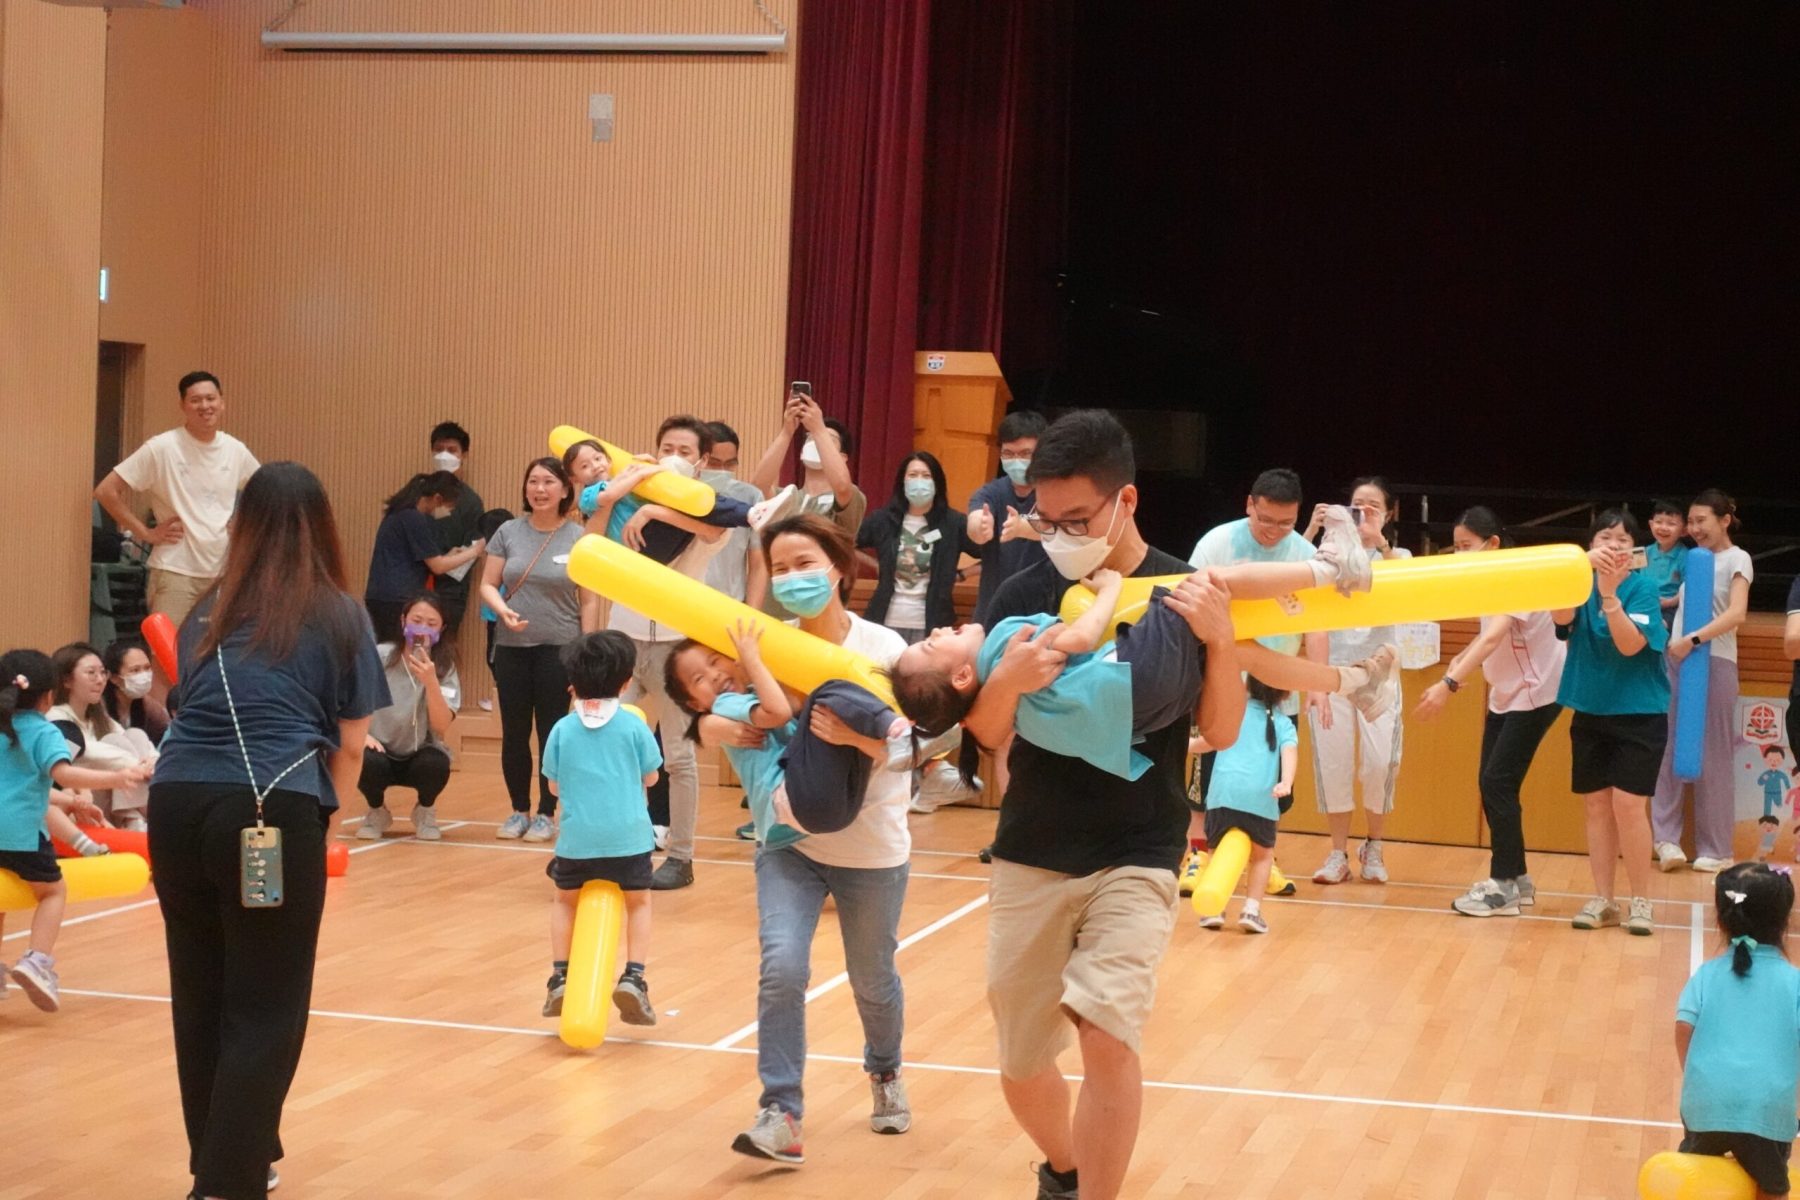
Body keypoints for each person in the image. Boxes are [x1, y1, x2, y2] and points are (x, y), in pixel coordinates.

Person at [957, 409, 1246, 1200]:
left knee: (1107, 1033)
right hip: (1033, 847)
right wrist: (1007, 681)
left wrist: (1222, 641)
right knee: (1022, 1060)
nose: (1060, 536)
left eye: (1077, 519)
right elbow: (986, 732)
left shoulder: (1185, 589)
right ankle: (1067, 1168)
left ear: (1126, 501)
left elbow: (1221, 731)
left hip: (1139, 849)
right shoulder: (1024, 589)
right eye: (1047, 520)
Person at [147, 462, 387, 1200]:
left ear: (244, 525)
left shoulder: (208, 608)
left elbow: (184, 707)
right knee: (266, 1002)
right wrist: (322, 821)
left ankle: (233, 1157)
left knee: (201, 993)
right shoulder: (340, 613)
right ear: (323, 525)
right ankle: (228, 1181)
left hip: (174, 802)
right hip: (268, 804)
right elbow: (352, 745)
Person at [700, 516, 914, 1164]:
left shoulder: (885, 649)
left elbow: (922, 749)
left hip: (871, 847)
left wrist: (856, 739)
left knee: (872, 979)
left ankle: (885, 1069)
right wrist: (711, 726)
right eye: (781, 568)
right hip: (789, 844)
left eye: (805, 564)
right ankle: (781, 1111)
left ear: (839, 568)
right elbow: (718, 708)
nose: (793, 578)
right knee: (782, 967)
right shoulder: (769, 646)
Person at [594, 417, 745, 891]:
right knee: (600, 740)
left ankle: (681, 857)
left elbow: (714, 532)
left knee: (679, 758)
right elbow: (594, 529)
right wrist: (631, 494)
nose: (673, 457)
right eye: (666, 448)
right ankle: (604, 849)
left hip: (676, 648)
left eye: (684, 451)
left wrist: (656, 512)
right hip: (623, 639)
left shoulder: (708, 510)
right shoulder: (629, 498)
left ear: (701, 463)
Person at [1184, 467, 1335, 895]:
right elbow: (1187, 604)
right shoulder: (1217, 543)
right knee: (1206, 775)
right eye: (1265, 519)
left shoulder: (1307, 557)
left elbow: (1318, 626)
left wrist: (1318, 684)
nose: (1273, 531)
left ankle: (1263, 860)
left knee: (1270, 781)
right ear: (1249, 504)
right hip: (1219, 681)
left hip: (1276, 688)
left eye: (1285, 523)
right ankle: (1197, 855)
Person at [1414, 508, 1568, 918]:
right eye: (1456, 547)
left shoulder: (1519, 577)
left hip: (1535, 694)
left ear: (1493, 543)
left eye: (1467, 546)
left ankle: (1503, 886)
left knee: (1497, 782)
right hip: (1507, 695)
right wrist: (1457, 663)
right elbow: (1484, 638)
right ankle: (1518, 878)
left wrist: (1448, 684)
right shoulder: (1493, 580)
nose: (1460, 554)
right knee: (1494, 783)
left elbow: (1494, 637)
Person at [0, 649, 152, 1012]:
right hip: (21, 835)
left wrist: (68, 802)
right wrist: (117, 777)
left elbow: (19, 787)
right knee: (53, 892)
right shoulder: (44, 731)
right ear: (49, 696)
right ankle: (37, 960)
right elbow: (64, 774)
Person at [1552, 508, 1667, 937]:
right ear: (1591, 544)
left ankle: (1641, 901)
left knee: (1628, 806)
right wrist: (1577, 571)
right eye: (1605, 538)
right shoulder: (1577, 584)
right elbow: (1561, 621)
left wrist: (1609, 595)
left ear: (1635, 548)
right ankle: (1604, 899)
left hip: (1640, 713)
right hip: (1590, 708)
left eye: (1623, 539)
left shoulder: (1645, 587)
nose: (1614, 546)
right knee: (1597, 806)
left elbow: (1629, 645)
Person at [540, 631, 664, 1025]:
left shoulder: (562, 729)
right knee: (638, 902)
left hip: (577, 841)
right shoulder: (634, 727)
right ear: (626, 683)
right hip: (629, 840)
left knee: (564, 901)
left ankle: (560, 976)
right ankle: (634, 976)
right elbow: (652, 778)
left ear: (572, 684)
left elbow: (553, 787)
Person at [478, 458, 601, 843]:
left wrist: (586, 651)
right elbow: (487, 584)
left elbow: (589, 600)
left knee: (552, 733)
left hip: (560, 649)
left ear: (565, 489)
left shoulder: (579, 537)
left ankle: (547, 813)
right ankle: (519, 810)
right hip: (511, 647)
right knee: (514, 733)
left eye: (548, 481)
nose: (540, 489)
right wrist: (502, 611)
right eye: (533, 481)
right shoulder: (508, 532)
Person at [1305, 477, 1412, 886]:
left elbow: (1406, 588)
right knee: (1333, 762)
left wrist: (1378, 542)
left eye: (1373, 506)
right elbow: (1295, 581)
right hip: (1332, 670)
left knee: (1380, 762)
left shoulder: (1396, 555)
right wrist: (1312, 531)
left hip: (1378, 670)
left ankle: (1374, 846)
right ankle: (1337, 853)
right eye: (1356, 505)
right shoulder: (1328, 552)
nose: (1363, 512)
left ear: (1389, 513)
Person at [93, 370, 260, 628]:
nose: (204, 406)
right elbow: (106, 491)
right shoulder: (162, 447)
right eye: (195, 400)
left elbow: (263, 491)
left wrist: (242, 523)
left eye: (210, 398)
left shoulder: (235, 450)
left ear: (222, 403)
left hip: (223, 570)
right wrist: (145, 533)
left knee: (219, 648)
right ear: (183, 405)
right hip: (175, 570)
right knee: (169, 647)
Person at [1673, 863, 1800, 1200]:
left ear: (1721, 919)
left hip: (1706, 1102)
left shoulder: (1706, 974)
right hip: (1767, 1107)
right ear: (1785, 922)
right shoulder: (1795, 982)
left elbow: (1684, 1026)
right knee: (1772, 1188)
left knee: (1694, 1183)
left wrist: (1697, 1076)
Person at [1652, 489, 1753, 873]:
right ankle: (1666, 841)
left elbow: (1737, 613)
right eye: (1690, 522)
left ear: (1724, 520)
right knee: (1667, 748)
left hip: (1715, 661)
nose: (1694, 529)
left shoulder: (1738, 558)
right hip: (1676, 660)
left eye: (1701, 521)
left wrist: (1692, 640)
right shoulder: (1693, 560)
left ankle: (1717, 849)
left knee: (1715, 755)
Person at [1189, 677, 1297, 935]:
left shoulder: (1233, 715)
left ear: (1247, 686)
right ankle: (1251, 910)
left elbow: (1207, 743)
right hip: (1259, 799)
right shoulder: (1283, 723)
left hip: (1222, 796)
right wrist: (1286, 782)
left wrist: (1187, 745)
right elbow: (1289, 754)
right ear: (1285, 695)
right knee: (1262, 857)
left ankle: (1213, 910)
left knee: (1217, 852)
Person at [356, 594, 461, 842]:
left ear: (442, 629)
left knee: (436, 764)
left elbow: (441, 725)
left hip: (419, 752)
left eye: (431, 624)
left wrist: (431, 682)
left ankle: (425, 811)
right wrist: (362, 735)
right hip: (380, 749)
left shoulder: (444, 667)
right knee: (362, 759)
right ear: (403, 621)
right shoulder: (380, 656)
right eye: (416, 620)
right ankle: (376, 811)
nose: (422, 629)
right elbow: (351, 698)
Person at [749, 390, 867, 601]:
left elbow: (842, 487)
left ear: (842, 458)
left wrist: (819, 428)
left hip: (819, 605)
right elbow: (759, 485)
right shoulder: (786, 495)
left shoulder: (851, 496)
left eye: (828, 440)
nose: (815, 441)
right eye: (809, 438)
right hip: (774, 605)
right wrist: (787, 432)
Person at [857, 451, 969, 645]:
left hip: (932, 625)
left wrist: (964, 574)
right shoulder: (883, 519)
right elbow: (848, 544)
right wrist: (877, 565)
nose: (919, 481)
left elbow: (989, 553)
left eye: (926, 476)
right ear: (903, 482)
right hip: (885, 620)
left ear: (937, 483)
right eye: (913, 475)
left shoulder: (953, 522)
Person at [363, 471, 486, 643]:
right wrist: (474, 551)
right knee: (396, 652)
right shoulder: (413, 518)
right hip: (397, 600)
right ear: (437, 499)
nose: (447, 513)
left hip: (382, 597)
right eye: (448, 508)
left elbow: (427, 559)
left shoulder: (400, 513)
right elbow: (438, 566)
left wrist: (450, 556)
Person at [47, 642, 159, 830]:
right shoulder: (55, 718)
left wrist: (152, 762)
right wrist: (135, 767)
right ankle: (136, 820)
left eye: (102, 672)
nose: (100, 680)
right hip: (82, 797)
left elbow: (134, 744)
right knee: (113, 743)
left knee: (135, 734)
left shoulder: (100, 718)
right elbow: (85, 753)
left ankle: (137, 819)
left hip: (122, 792)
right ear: (66, 681)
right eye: (91, 673)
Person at [967, 410, 1051, 622]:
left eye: (1025, 453)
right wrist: (980, 527)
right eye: (1008, 454)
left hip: (1043, 613)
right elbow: (975, 521)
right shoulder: (991, 492)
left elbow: (1059, 528)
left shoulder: (1056, 491)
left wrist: (1022, 527)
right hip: (993, 612)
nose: (1016, 461)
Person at [700, 421, 774, 606]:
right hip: (683, 602)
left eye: (730, 464)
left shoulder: (750, 496)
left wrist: (752, 613)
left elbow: (758, 563)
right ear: (701, 459)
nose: (722, 471)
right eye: (714, 463)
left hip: (731, 604)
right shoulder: (680, 492)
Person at [427, 421, 486, 635]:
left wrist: (443, 565)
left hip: (450, 592)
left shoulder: (471, 501)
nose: (444, 455)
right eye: (439, 449)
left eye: (451, 450)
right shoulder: (418, 493)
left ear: (464, 455)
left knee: (443, 648)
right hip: (412, 586)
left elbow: (474, 548)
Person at [101, 638, 170, 745]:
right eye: (135, 670)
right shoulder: (98, 707)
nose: (144, 675)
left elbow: (167, 731)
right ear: (114, 678)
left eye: (147, 668)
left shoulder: (149, 706)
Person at [1645, 499, 1690, 630]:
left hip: (1671, 607)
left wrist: (1670, 602)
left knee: (1659, 626)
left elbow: (1688, 588)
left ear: (1684, 531)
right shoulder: (1644, 552)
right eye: (1659, 522)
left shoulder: (1686, 556)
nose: (1663, 528)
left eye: (1671, 523)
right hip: (1644, 603)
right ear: (1651, 524)